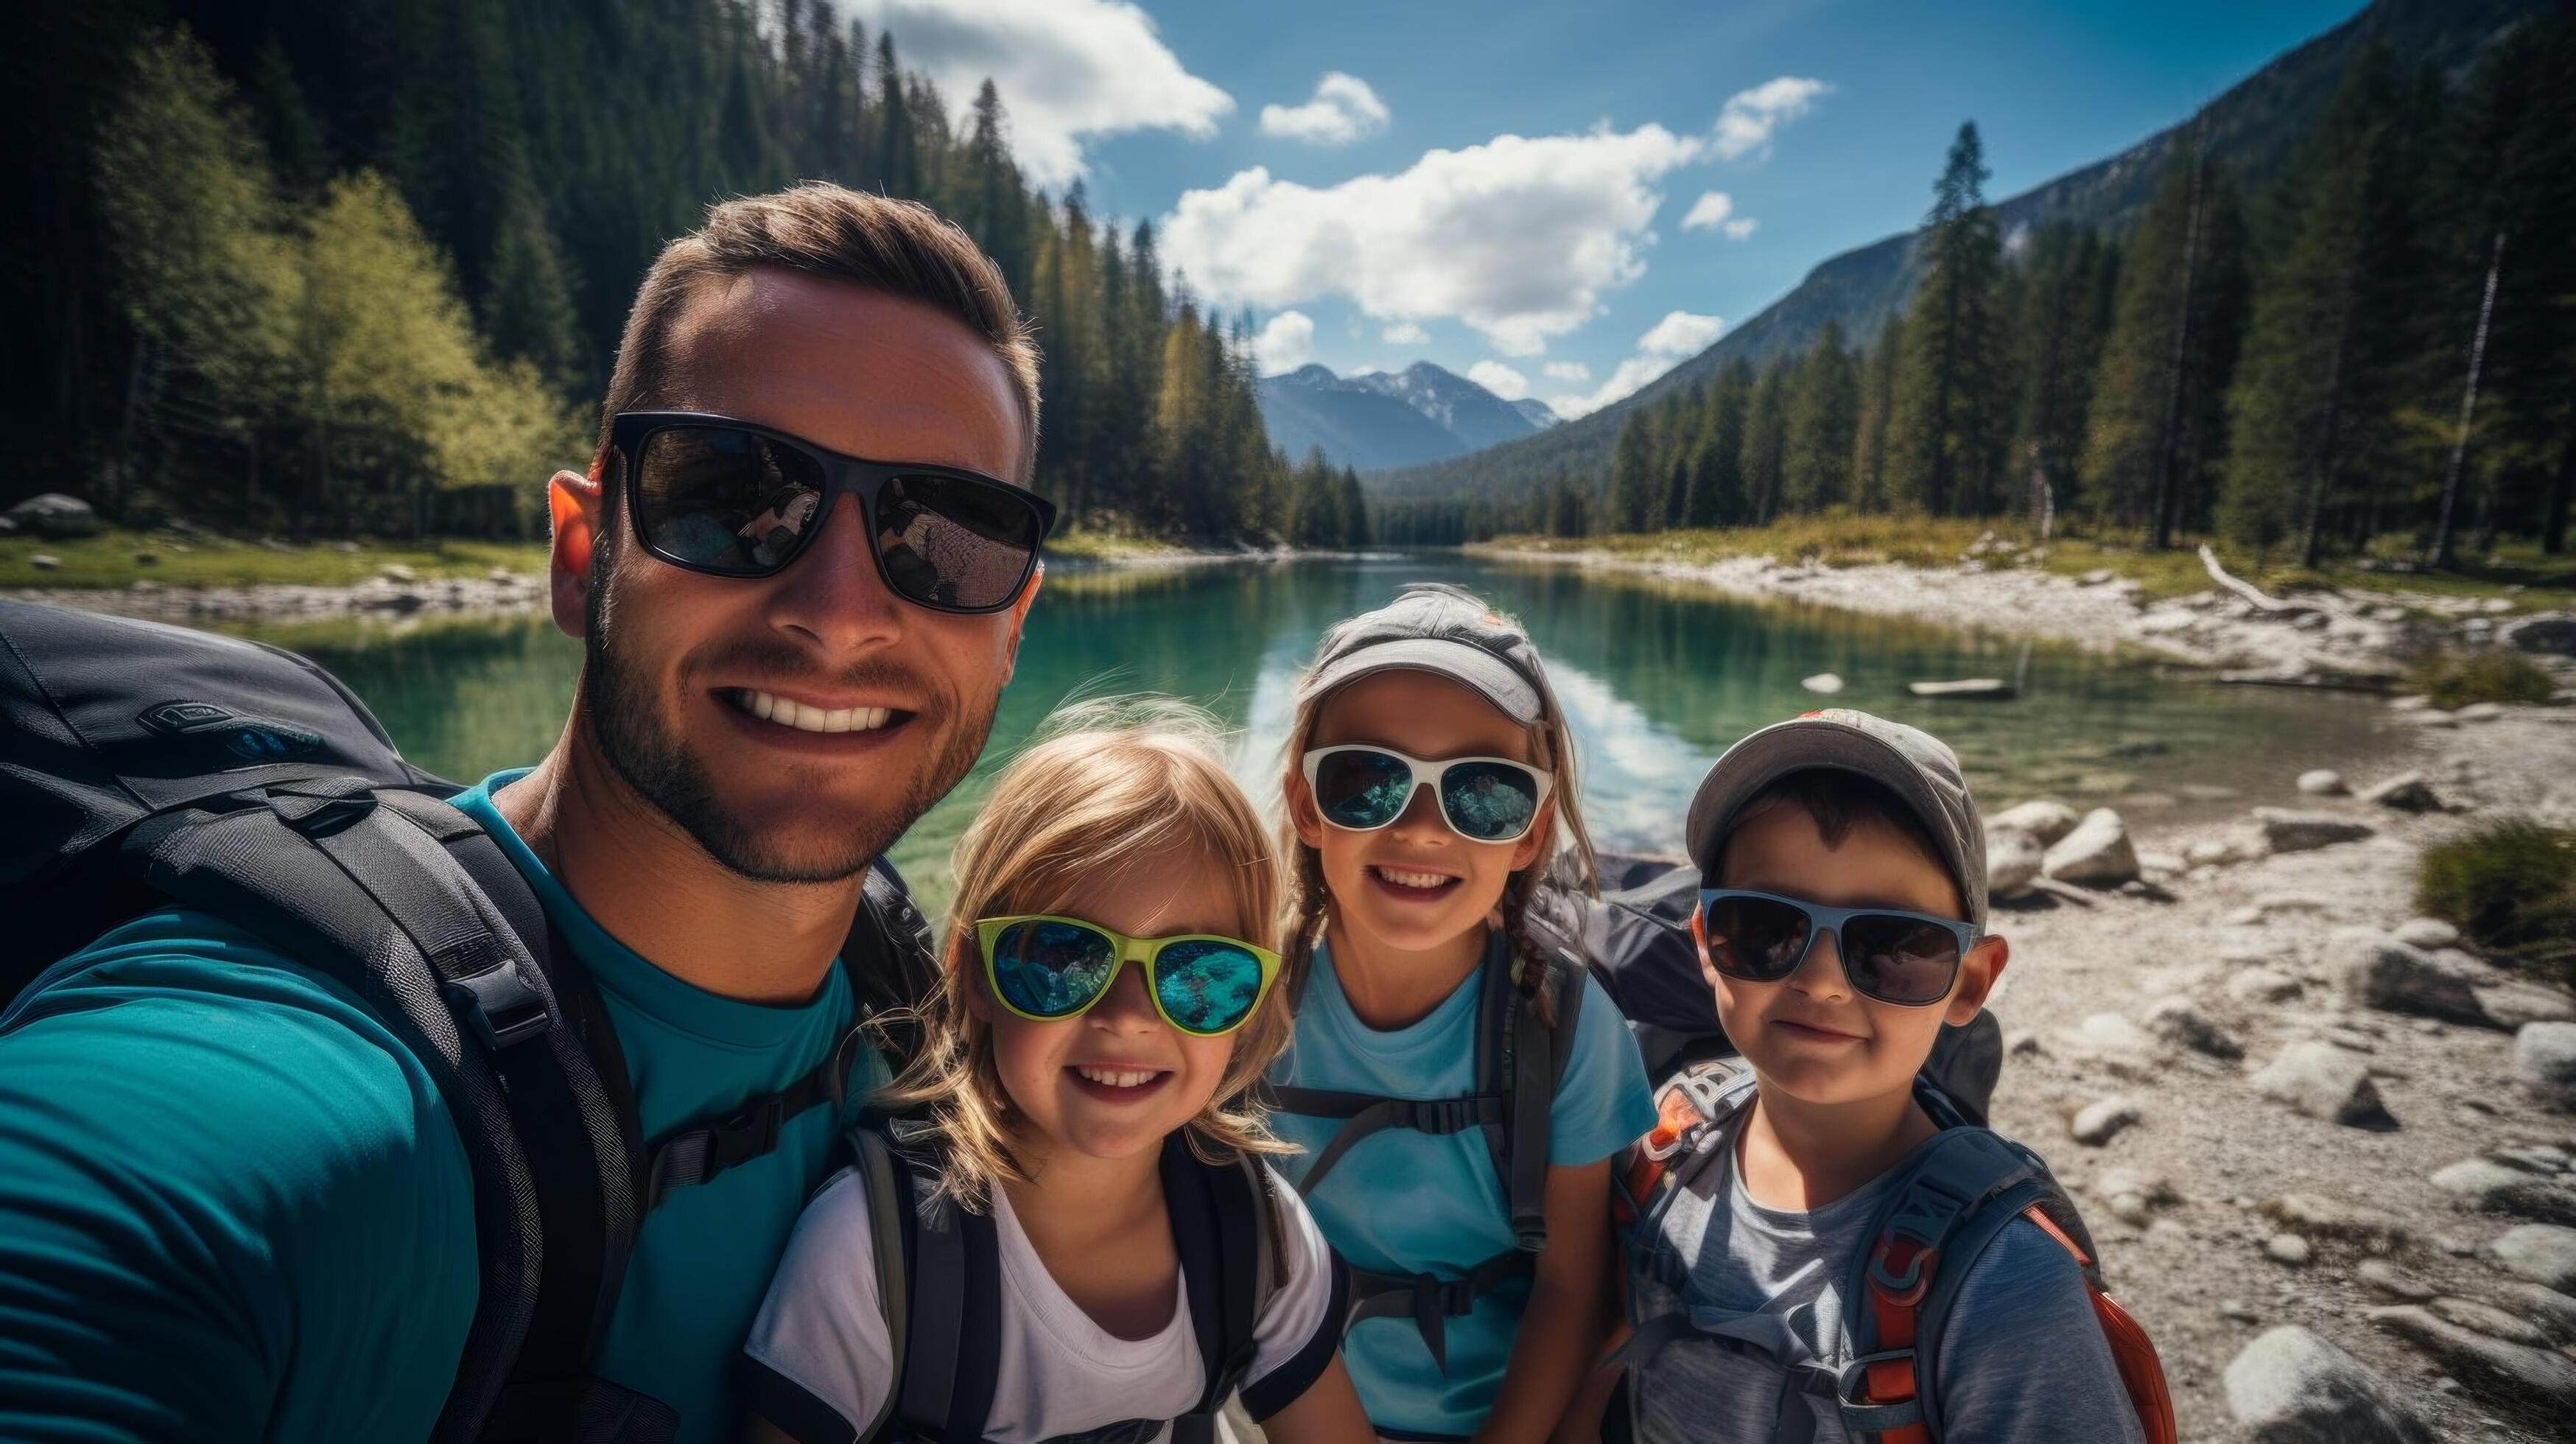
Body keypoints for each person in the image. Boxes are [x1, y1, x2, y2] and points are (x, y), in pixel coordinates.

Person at [0, 184, 1054, 1441]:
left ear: (1010, 628)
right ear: (580, 551)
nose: (837, 612)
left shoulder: (906, 997)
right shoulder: (289, 1094)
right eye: (730, 491)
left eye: (948, 538)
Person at [740, 701, 1372, 1443]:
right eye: (1064, 958)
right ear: (973, 976)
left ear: (1251, 1004)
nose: (1130, 1015)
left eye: (1198, 975)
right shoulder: (876, 1251)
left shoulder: (1255, 1230)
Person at [1592, 709, 2154, 1443]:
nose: (1822, 982)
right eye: (1766, 928)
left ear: (1969, 982)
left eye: (1894, 943)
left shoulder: (2003, 1288)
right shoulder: (1662, 1141)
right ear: (1704, 941)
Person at [1264, 583, 1656, 1441]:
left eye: (1483, 791)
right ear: (1305, 806)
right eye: (1367, 779)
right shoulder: (1252, 1005)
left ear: (1528, 835)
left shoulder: (1562, 1027)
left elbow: (1568, 1288)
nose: (1422, 827)